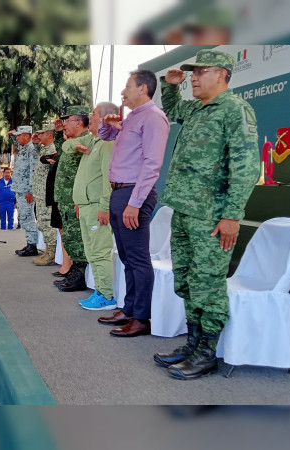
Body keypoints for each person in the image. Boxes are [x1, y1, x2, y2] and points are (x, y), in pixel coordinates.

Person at [154, 50, 259, 379]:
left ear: (223, 74)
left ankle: (207, 353)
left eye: (201, 72)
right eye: (192, 72)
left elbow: (245, 168)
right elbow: (172, 108)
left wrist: (232, 216)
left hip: (211, 218)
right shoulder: (197, 108)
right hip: (184, 211)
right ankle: (194, 343)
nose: (194, 77)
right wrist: (169, 85)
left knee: (207, 285)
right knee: (186, 282)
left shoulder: (236, 109)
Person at [96, 69, 170, 337]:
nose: (122, 93)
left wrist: (135, 203)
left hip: (133, 194)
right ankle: (128, 310)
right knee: (126, 257)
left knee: (138, 258)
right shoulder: (131, 118)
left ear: (143, 89)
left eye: (127, 87)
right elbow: (105, 136)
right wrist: (107, 122)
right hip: (120, 192)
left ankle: (141, 318)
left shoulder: (153, 118)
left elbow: (152, 164)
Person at [72, 102, 119, 309]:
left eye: (93, 114)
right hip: (86, 206)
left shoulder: (107, 144)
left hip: (97, 206)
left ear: (104, 118)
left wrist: (105, 207)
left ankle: (107, 296)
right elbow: (67, 144)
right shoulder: (94, 143)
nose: (89, 118)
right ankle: (100, 291)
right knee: (92, 252)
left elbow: (108, 179)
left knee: (100, 252)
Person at [52, 106, 93, 291]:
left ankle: (79, 275)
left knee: (77, 238)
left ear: (78, 121)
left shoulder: (87, 141)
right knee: (70, 237)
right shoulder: (72, 141)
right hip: (67, 200)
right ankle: (74, 271)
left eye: (67, 120)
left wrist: (77, 200)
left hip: (77, 201)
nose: (64, 123)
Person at [6, 125, 40, 256]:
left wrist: (31, 191)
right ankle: (29, 243)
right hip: (20, 189)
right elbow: (18, 144)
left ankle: (33, 246)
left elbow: (33, 171)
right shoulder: (25, 148)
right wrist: (13, 137)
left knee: (28, 217)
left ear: (27, 135)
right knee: (23, 217)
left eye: (20, 135)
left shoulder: (31, 150)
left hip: (26, 190)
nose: (18, 138)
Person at [32, 121, 58, 265]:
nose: (38, 135)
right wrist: (36, 142)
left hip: (46, 193)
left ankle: (51, 253)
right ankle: (47, 250)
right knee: (42, 222)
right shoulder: (44, 147)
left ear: (49, 134)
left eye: (42, 133)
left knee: (47, 222)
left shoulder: (53, 148)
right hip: (40, 192)